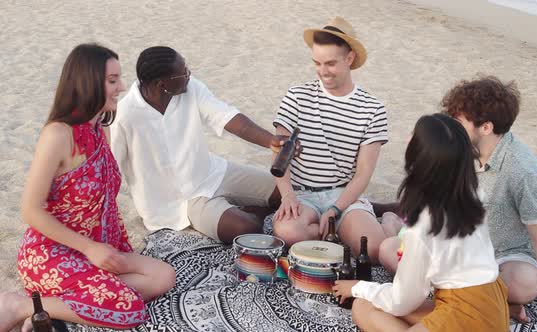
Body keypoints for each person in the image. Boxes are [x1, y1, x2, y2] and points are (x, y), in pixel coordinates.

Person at [0, 44, 175, 332]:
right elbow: (30, 211)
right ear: (87, 81)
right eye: (112, 80)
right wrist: (89, 248)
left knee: (163, 277)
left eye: (119, 78)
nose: (121, 86)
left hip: (97, 247)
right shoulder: (57, 134)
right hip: (52, 252)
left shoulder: (100, 128)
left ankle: (57, 305)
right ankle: (18, 305)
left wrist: (105, 249)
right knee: (129, 310)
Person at [333, 113, 509, 332]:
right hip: (491, 303)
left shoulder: (426, 224)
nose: (408, 141)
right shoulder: (471, 194)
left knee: (363, 307)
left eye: (413, 138)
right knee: (369, 304)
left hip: (464, 316)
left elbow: (402, 300)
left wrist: (359, 287)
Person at [441, 76, 537, 324]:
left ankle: (475, 296)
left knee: (525, 284)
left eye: (459, 121)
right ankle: (494, 302)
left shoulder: (524, 171)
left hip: (508, 257)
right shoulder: (461, 150)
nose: (452, 127)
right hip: (465, 248)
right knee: (390, 251)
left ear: (486, 127)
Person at [112, 46, 288, 244]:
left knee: (285, 193)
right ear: (162, 84)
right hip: (182, 203)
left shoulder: (191, 87)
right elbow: (111, 170)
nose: (188, 74)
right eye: (183, 73)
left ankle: (236, 209)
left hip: (213, 172)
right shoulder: (124, 115)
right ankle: (237, 212)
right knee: (247, 228)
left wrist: (272, 141)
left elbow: (226, 117)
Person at [271, 16, 391, 261]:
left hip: (344, 195)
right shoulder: (296, 96)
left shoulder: (372, 109)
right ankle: (332, 236)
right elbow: (278, 153)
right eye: (317, 62)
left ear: (350, 58)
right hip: (302, 194)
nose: (322, 71)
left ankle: (389, 220)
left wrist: (336, 209)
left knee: (374, 250)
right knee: (288, 232)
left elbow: (363, 173)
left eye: (330, 63)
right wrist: (287, 195)